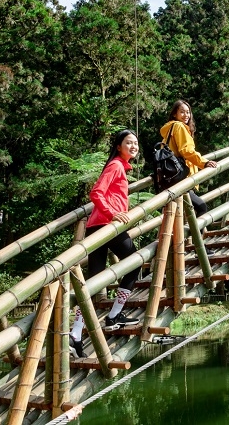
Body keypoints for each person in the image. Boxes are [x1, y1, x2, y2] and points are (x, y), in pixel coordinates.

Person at [86, 130, 142, 331]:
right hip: (107, 226)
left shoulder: (119, 167)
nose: (134, 146)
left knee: (92, 283)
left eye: (135, 143)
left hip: (95, 226)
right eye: (129, 143)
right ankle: (115, 315)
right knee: (135, 264)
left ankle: (75, 334)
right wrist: (112, 214)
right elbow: (96, 193)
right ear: (119, 146)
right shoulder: (116, 165)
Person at [160, 100, 218, 219]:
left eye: (188, 112)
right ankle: (196, 237)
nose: (186, 115)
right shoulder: (179, 127)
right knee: (201, 207)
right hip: (180, 178)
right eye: (182, 112)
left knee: (179, 216)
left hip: (170, 177)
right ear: (174, 114)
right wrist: (204, 163)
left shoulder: (170, 129)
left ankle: (186, 237)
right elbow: (186, 151)